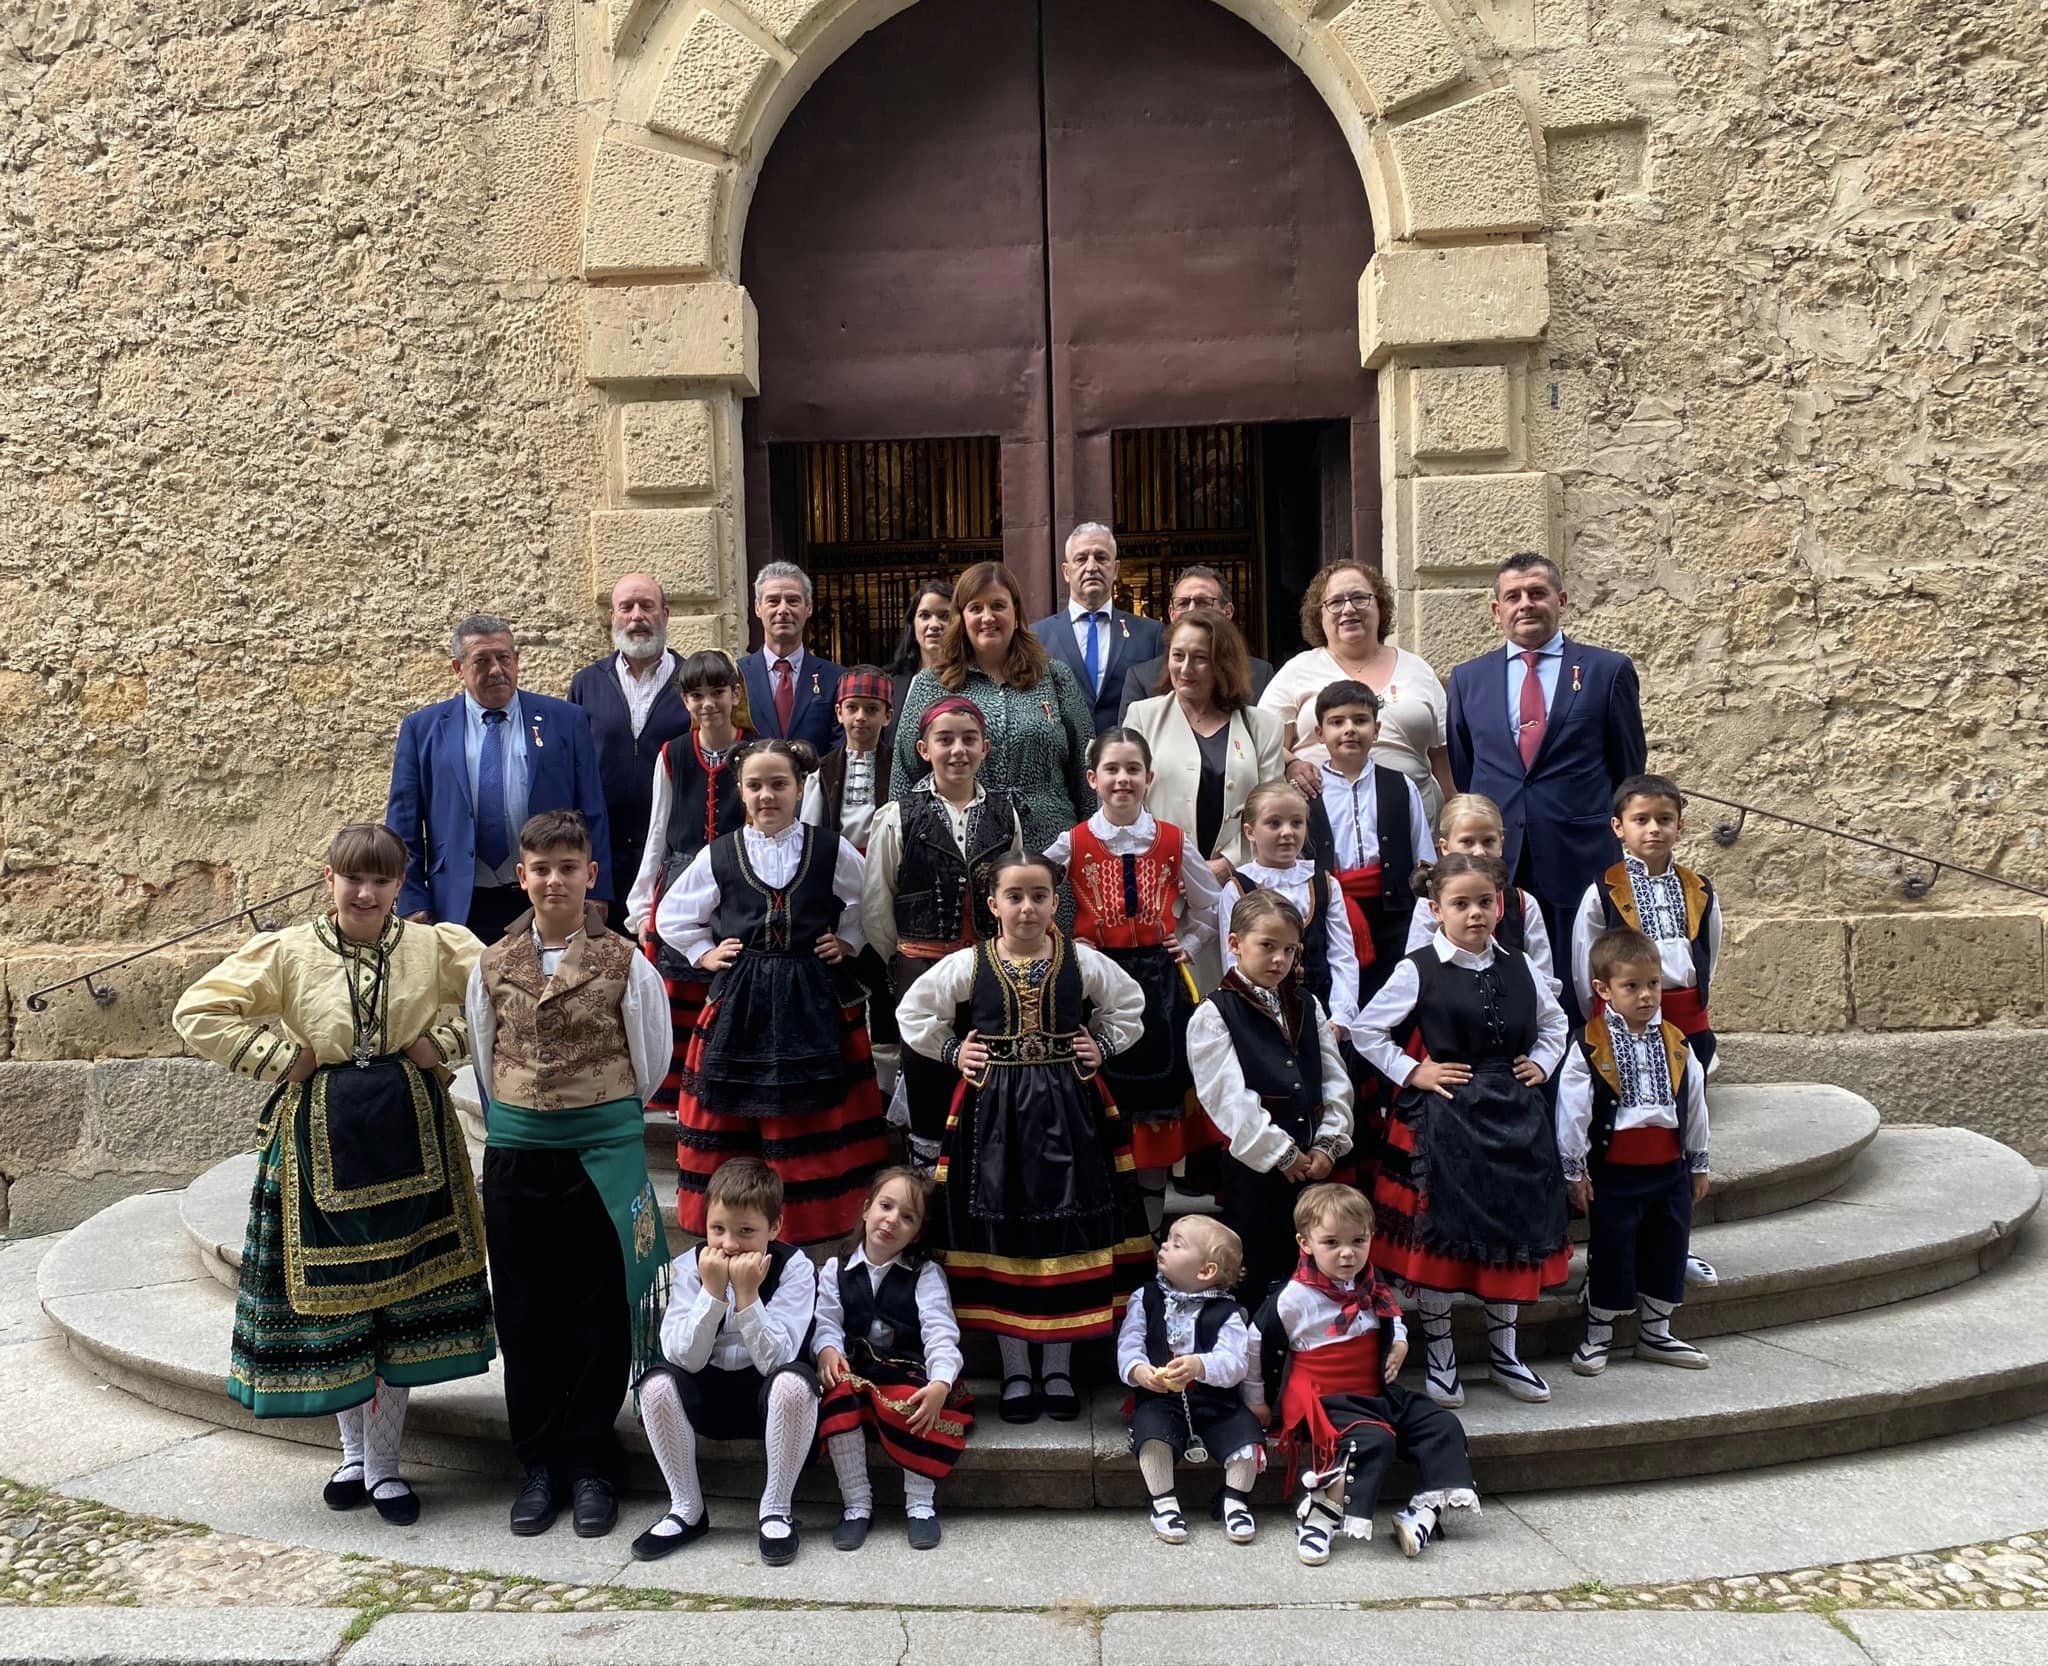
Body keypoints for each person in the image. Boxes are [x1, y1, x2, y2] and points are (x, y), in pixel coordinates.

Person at [172, 824, 493, 1527]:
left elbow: (504, 994)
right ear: (329, 879)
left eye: (380, 879)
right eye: (353, 878)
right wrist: (284, 1058)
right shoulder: (289, 951)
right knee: (340, 1305)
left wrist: (441, 1043)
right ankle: (353, 1455)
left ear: (399, 885)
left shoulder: (432, 947)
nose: (365, 892)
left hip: (413, 1135)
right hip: (317, 1142)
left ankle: (386, 1465)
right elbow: (197, 1009)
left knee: (398, 1300)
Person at [465, 811, 669, 1541]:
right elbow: (484, 1054)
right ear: (522, 877)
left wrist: (595, 1109)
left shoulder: (627, 963)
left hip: (601, 1152)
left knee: (598, 1308)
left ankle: (591, 1464)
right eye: (542, 869)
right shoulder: (491, 963)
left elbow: (651, 1059)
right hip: (520, 1153)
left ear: (591, 875)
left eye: (568, 867)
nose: (555, 880)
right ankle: (540, 1464)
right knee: (526, 1311)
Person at [896, 851, 1152, 1425]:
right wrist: (952, 1050)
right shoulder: (970, 963)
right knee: (1003, 1230)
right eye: (1015, 896)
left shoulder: (1080, 960)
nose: (1028, 907)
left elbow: (1129, 1005)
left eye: (1039, 896)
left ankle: (1058, 1368)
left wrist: (1103, 1045)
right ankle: (1016, 1370)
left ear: (1055, 901)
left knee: (1065, 1229)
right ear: (993, 905)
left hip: (1071, 1111)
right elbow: (915, 1011)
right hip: (993, 1117)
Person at [1354, 853, 1571, 1411]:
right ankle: (1442, 1355)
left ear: (1499, 905)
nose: (1475, 913)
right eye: (1460, 903)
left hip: (1516, 1117)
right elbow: (1367, 1030)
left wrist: (1543, 1063)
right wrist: (1414, 1071)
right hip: (1446, 1118)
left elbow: (1555, 1023)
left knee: (1510, 1233)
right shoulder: (1418, 967)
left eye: (1484, 902)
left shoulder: (1521, 965)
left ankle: (1505, 1352)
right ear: (1436, 910)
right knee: (1441, 1237)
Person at [657, 740, 887, 1246]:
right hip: (743, 999)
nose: (767, 795)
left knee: (809, 1110)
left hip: (813, 998)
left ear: (799, 788)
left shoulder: (828, 848)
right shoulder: (721, 853)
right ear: (740, 792)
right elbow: (672, 915)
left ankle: (808, 1220)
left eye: (779, 784)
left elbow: (868, 900)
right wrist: (704, 953)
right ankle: (734, 1221)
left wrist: (848, 941)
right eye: (755, 786)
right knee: (734, 1103)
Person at [1043, 729, 1222, 1233]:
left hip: (1158, 986)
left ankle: (1148, 1229)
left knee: (1154, 1103)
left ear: (1149, 777)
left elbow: (1210, 903)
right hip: (1095, 985)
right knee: (1101, 1096)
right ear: (1092, 778)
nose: (1122, 779)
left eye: (1132, 769)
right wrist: (1063, 946)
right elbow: (1029, 889)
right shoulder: (1073, 841)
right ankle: (1105, 1224)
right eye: (1112, 769)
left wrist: (1189, 941)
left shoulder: (1171, 840)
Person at [1244, 1185, 1479, 1566]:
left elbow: (1392, 1316)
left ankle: (1422, 1514)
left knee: (1442, 1425)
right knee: (1373, 1440)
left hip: (1374, 1392)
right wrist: (1256, 1400)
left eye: (1358, 1241)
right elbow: (1256, 1343)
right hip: (1325, 1398)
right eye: (1331, 1242)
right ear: (1305, 1243)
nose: (1347, 1253)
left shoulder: (1370, 1282)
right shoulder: (1294, 1298)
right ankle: (1320, 1517)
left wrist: (1399, 1343)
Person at [1444, 552, 1648, 959]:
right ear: (1497, 611)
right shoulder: (1467, 679)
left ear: (1562, 600)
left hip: (1579, 855)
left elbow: (1628, 772)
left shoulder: (1607, 671)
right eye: (1513, 596)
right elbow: (1466, 768)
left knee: (1582, 973)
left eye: (1537, 593)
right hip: (1498, 860)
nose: (1526, 604)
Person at [631, 1158, 820, 1566]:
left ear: (775, 1227)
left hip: (766, 1397)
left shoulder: (795, 1269)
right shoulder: (689, 1268)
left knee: (795, 1383)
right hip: (706, 1391)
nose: (729, 1244)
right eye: (718, 1229)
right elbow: (683, 1356)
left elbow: (778, 1359)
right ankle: (686, 1508)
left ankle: (776, 1508)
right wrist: (713, 1294)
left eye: (746, 1231)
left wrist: (748, 1297)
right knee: (656, 1384)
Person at [862, 697, 1024, 1169]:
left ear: (985, 748)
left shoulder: (1006, 814)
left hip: (991, 970)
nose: (958, 750)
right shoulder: (898, 816)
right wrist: (905, 960)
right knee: (928, 1077)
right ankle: (929, 1191)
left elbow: (1013, 893)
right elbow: (877, 904)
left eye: (969, 739)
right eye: (945, 740)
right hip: (922, 969)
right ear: (923, 749)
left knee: (990, 1075)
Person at [387, 614, 613, 944]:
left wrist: (598, 888)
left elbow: (592, 810)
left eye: (504, 658)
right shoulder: (423, 729)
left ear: (517, 660)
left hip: (547, 895)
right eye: (481, 661)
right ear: (458, 668)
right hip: (458, 902)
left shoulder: (565, 720)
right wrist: (411, 897)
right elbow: (403, 824)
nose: (496, 670)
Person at [1557, 928, 1713, 1377]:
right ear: (1603, 989)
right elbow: (1572, 1111)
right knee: (1612, 1249)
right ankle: (1598, 1333)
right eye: (1631, 986)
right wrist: (1575, 1171)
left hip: (1668, 1168)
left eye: (1653, 984)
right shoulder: (1590, 1044)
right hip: (1616, 1171)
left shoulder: (1677, 1042)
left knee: (1668, 1244)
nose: (1646, 995)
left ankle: (1656, 1331)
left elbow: (1694, 1104)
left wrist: (1697, 1161)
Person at [1189, 891, 1354, 1309]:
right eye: (1267, 946)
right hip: (1255, 1168)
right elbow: (1226, 1097)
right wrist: (1281, 1153)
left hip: (1313, 1162)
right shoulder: (1214, 1013)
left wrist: (1328, 1143)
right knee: (1256, 1266)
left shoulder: (1306, 1003)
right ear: (1235, 943)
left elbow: (1334, 1075)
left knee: (1310, 1267)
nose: (1279, 959)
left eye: (1289, 950)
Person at [624, 649, 755, 1117]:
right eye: (697, 695)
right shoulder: (673, 754)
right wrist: (643, 909)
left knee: (729, 987)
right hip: (680, 884)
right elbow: (657, 832)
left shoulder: (758, 749)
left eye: (717, 692)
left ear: (735, 694)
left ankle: (724, 1091)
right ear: (685, 701)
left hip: (741, 885)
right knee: (677, 993)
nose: (708, 704)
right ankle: (679, 1096)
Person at [891, 562, 1096, 859]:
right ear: (961, 617)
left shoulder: (1054, 677)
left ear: (1016, 613)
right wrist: (907, 848)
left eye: (998, 605)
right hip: (961, 848)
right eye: (976, 608)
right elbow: (904, 773)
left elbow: (1086, 769)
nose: (987, 617)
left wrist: (1092, 846)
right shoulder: (931, 684)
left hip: (1052, 849)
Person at [814, 1168, 972, 1552]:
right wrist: (827, 1349)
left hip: (906, 1370)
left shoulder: (924, 1274)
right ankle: (856, 1503)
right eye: (885, 1206)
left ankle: (920, 1503)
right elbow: (826, 1321)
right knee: (837, 1395)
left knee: (914, 1401)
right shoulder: (836, 1270)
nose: (891, 1220)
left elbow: (940, 1331)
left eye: (907, 1217)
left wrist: (940, 1383)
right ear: (866, 1209)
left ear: (917, 1233)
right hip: (857, 1371)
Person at [1261, 563, 1454, 825]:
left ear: (1380, 606)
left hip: (1410, 826)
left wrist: (1453, 820)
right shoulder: (1297, 671)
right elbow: (1263, 743)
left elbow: (1443, 759)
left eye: (1360, 598)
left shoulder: (1418, 670)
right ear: (1319, 615)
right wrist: (1291, 764)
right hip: (1322, 827)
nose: (1349, 609)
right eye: (1335, 602)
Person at [1117, 1216, 1263, 1546]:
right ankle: (1163, 1501)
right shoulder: (1146, 1297)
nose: (1165, 1246)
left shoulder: (1227, 1313)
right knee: (1152, 1437)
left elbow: (1236, 1363)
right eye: (1167, 1239)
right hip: (1161, 1398)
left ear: (1206, 1271)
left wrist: (1201, 1365)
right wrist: (1139, 1370)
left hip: (1215, 1400)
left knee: (1247, 1439)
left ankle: (1235, 1499)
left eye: (1177, 1243)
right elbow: (1129, 1343)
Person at [1569, 773, 1724, 1073]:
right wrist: (1601, 1013)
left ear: (1679, 826)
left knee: (1687, 1088)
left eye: (1664, 819)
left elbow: (1710, 951)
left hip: (1688, 1017)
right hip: (1625, 1017)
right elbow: (1585, 962)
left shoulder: (1700, 890)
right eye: (1641, 820)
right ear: (1618, 827)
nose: (1654, 829)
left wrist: (1697, 992)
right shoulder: (1604, 891)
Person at [1124, 608, 1285, 894]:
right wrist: (1173, 865)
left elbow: (1273, 809)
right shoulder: (1142, 717)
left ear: (1222, 663)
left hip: (1240, 887)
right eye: (1178, 656)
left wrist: (1228, 864)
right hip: (1161, 885)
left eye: (1200, 658)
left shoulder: (1264, 727)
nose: (1185, 668)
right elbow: (1127, 803)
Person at [567, 575, 694, 924]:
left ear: (665, 615)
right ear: (613, 617)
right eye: (626, 607)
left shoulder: (693, 682)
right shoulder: (587, 683)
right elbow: (575, 773)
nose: (637, 616)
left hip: (674, 856)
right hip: (604, 857)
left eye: (647, 606)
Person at [1305, 680, 1436, 1007]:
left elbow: (1423, 856)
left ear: (1376, 730)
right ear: (1320, 733)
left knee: (1392, 1000)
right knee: (1335, 997)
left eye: (1360, 720)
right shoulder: (1307, 793)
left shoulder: (1400, 785)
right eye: (1337, 722)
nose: (1349, 729)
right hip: (1330, 914)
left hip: (1393, 915)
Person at [1215, 782, 1363, 1052]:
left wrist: (1340, 1016)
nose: (1287, 832)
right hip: (1262, 1021)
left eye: (1296, 823)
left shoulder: (1324, 884)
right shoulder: (1237, 888)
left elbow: (1342, 956)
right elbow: (1234, 962)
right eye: (1274, 823)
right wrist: (1256, 1016)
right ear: (1250, 831)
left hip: (1323, 1015)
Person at [1405, 793, 1560, 1000]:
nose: (1479, 851)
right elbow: (1416, 974)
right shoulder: (1430, 906)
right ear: (1445, 847)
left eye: (1488, 841)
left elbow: (1543, 979)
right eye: (1467, 842)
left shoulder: (1523, 903)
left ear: (1501, 844)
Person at [1030, 523, 1163, 738]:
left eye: (1101, 558)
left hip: (1127, 754)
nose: (1091, 567)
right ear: (1066, 572)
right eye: (1081, 559)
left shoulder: (1150, 634)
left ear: (1115, 569)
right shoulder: (1036, 637)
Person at [1115, 565, 1274, 721]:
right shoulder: (1142, 679)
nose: (1192, 610)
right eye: (1183, 603)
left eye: (1203, 602)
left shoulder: (1259, 674)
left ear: (1227, 612)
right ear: (1172, 613)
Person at [739, 562, 844, 754]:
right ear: (757, 608)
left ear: (808, 608)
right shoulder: (737, 675)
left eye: (793, 601)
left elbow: (840, 748)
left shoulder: (836, 678)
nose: (783, 610)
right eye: (773, 601)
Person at [801, 665, 895, 853]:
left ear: (887, 716)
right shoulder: (823, 771)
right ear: (839, 713)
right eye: (852, 707)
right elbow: (810, 834)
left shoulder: (897, 767)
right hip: (836, 864)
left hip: (885, 862)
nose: (860, 717)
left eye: (871, 709)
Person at [886, 579, 954, 716]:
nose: (934, 625)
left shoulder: (976, 681)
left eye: (945, 616)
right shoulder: (891, 682)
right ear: (913, 623)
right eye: (925, 615)